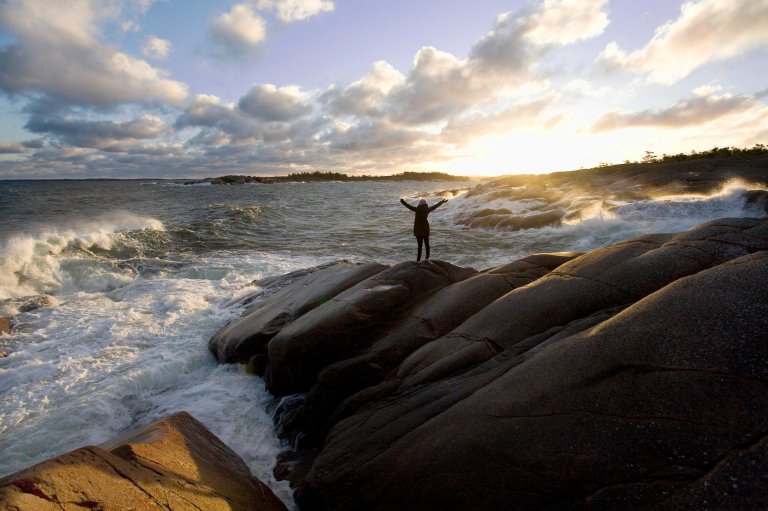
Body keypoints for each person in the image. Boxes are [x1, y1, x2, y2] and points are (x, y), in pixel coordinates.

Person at [400, 197, 448, 261]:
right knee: (427, 245)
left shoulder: (417, 209)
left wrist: (402, 201)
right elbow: (435, 206)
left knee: (420, 246)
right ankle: (427, 258)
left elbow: (408, 206)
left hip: (418, 230)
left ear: (419, 204)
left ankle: (418, 260)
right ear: (425, 204)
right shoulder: (427, 209)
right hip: (426, 229)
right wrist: (442, 202)